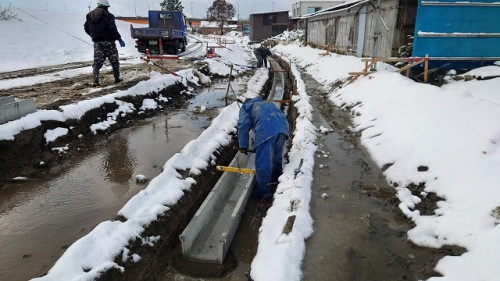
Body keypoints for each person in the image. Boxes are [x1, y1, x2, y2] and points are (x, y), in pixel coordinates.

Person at [237, 97, 289, 200]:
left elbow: (243, 125)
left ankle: (265, 194)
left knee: (263, 164)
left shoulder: (246, 107)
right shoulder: (266, 104)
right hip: (283, 128)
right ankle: (276, 182)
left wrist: (243, 145)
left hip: (266, 130)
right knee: (276, 159)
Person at [84, 0, 125, 86]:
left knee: (97, 62)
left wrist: (94, 36)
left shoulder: (89, 15)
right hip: (109, 42)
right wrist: (119, 39)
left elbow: (86, 28)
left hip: (97, 43)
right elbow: (112, 28)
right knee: (114, 61)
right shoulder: (108, 15)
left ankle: (95, 81)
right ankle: (117, 78)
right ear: (106, 6)